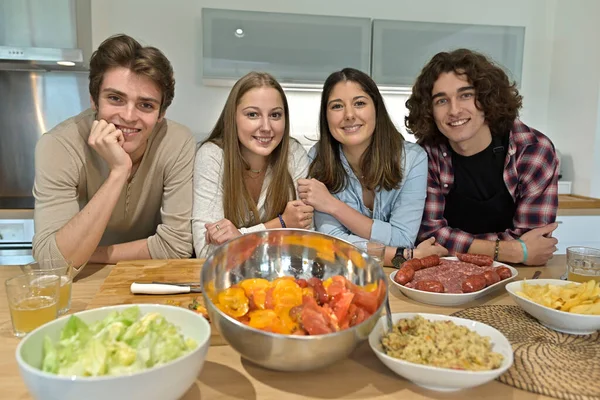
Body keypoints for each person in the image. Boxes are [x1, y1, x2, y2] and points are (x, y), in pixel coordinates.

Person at [32, 34, 195, 269]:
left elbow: (176, 246)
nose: (129, 116)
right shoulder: (58, 146)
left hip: (149, 276)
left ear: (161, 114)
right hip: (80, 282)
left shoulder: (177, 143)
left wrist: (83, 253)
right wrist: (119, 171)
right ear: (94, 100)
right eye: (115, 98)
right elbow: (53, 263)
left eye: (146, 105)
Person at [405, 49, 559, 266]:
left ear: (487, 98)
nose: (454, 110)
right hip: (445, 273)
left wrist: (453, 242)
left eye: (466, 95)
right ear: (430, 110)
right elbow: (429, 233)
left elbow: (534, 241)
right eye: (441, 101)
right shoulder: (426, 155)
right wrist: (512, 250)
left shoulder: (534, 151)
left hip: (514, 275)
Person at [298, 68, 447, 267]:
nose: (349, 115)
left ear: (376, 107)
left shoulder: (413, 159)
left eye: (359, 103)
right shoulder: (317, 159)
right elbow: (329, 244)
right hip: (340, 275)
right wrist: (406, 256)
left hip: (391, 279)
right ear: (326, 116)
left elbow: (402, 238)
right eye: (337, 106)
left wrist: (333, 206)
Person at [192, 71, 312, 257]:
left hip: (281, 279)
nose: (266, 127)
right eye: (253, 114)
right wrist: (280, 224)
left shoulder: (293, 153)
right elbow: (206, 252)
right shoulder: (212, 156)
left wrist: (240, 236)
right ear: (233, 118)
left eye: (275, 115)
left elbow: (304, 242)